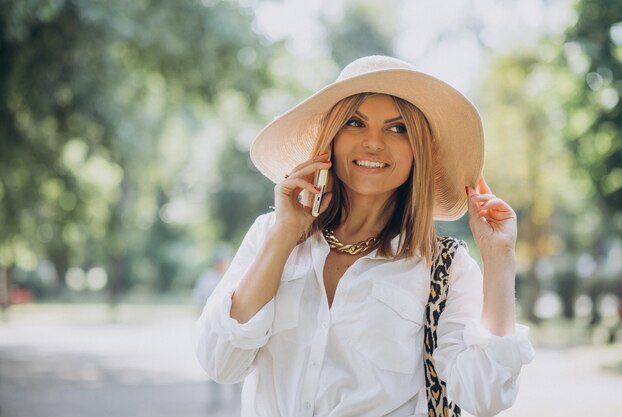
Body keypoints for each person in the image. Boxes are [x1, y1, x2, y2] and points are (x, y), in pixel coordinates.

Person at [194, 55, 535, 417]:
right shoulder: (272, 234)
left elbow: (486, 396)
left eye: (397, 128)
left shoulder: (444, 268)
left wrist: (500, 258)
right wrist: (286, 233)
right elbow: (221, 362)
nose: (373, 143)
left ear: (418, 150)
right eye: (355, 123)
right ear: (333, 139)